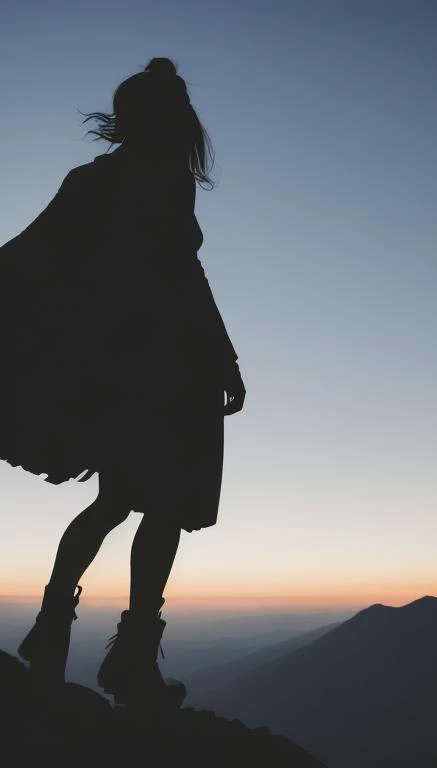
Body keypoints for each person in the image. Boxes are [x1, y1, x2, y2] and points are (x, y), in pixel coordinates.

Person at [0, 56, 246, 706]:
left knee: (122, 503)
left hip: (142, 364)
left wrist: (225, 357)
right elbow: (177, 276)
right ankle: (127, 662)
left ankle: (58, 636)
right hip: (158, 365)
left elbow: (28, 260)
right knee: (155, 507)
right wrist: (222, 360)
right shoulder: (140, 182)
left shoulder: (107, 180)